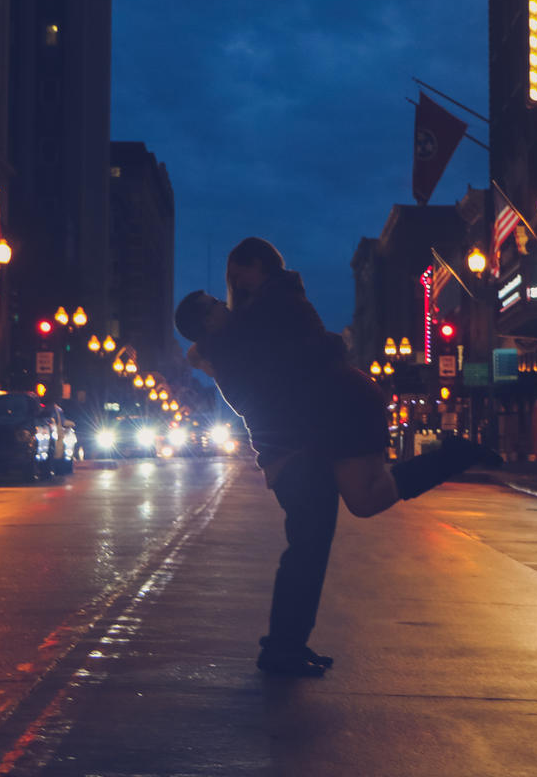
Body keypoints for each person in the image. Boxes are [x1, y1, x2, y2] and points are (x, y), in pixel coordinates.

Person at [183, 237, 494, 678]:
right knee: (337, 524)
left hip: (330, 424)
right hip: (313, 436)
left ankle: (285, 646)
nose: (227, 297)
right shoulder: (250, 329)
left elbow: (296, 366)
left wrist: (207, 346)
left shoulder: (269, 311)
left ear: (259, 270)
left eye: (231, 284)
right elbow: (278, 373)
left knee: (319, 539)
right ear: (206, 325)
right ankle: (284, 646)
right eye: (215, 303)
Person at [177, 289, 494, 516]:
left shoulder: (240, 340)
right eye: (215, 305)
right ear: (207, 322)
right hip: (341, 410)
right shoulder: (235, 349)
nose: (223, 304)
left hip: (345, 406)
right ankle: (454, 456)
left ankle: (454, 456)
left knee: (365, 499)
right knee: (366, 497)